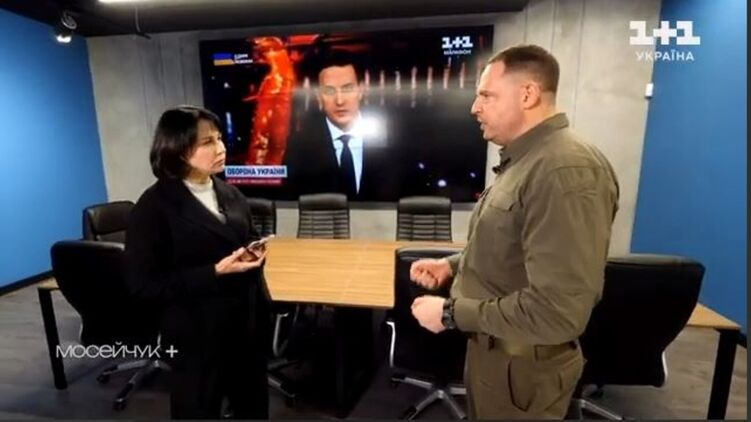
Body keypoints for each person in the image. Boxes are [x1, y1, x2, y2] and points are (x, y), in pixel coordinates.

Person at [409, 45, 620, 419]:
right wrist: (454, 265)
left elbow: (558, 310)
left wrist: (450, 313)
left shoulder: (564, 171)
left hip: (522, 370)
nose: (474, 107)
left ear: (527, 94)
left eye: (486, 95)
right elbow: (512, 241)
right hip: (497, 358)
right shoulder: (529, 160)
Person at [124, 106, 270, 419]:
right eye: (207, 142)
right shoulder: (152, 208)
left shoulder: (231, 193)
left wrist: (255, 251)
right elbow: (143, 286)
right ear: (178, 149)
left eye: (219, 138)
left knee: (253, 407)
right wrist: (214, 272)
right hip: (196, 336)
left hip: (245, 328)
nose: (221, 148)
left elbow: (248, 236)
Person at [284, 49, 396, 200]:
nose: (340, 101)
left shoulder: (392, 140)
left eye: (347, 89)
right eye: (329, 91)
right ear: (319, 96)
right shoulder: (300, 146)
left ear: (361, 90)